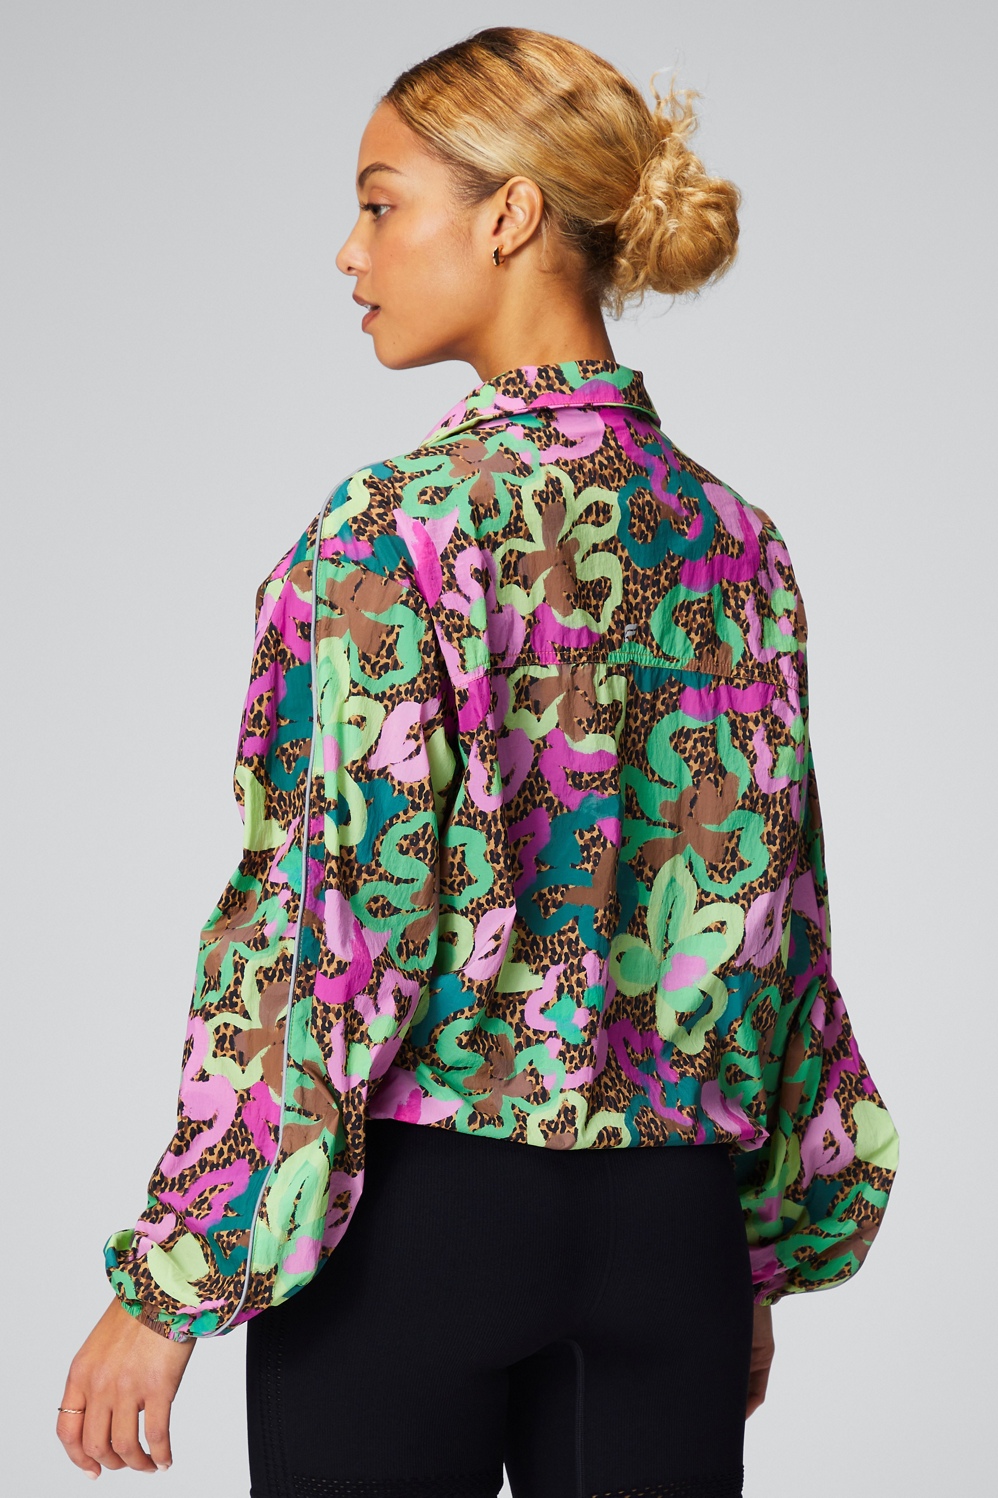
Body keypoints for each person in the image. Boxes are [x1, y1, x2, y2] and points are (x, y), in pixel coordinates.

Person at [57, 25, 900, 1498]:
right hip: (672, 1238)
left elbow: (324, 929)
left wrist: (176, 1274)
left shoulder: (393, 530)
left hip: (419, 1224)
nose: (349, 251)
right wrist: (754, 1257)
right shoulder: (737, 543)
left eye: (381, 204)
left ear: (508, 215)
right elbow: (778, 919)